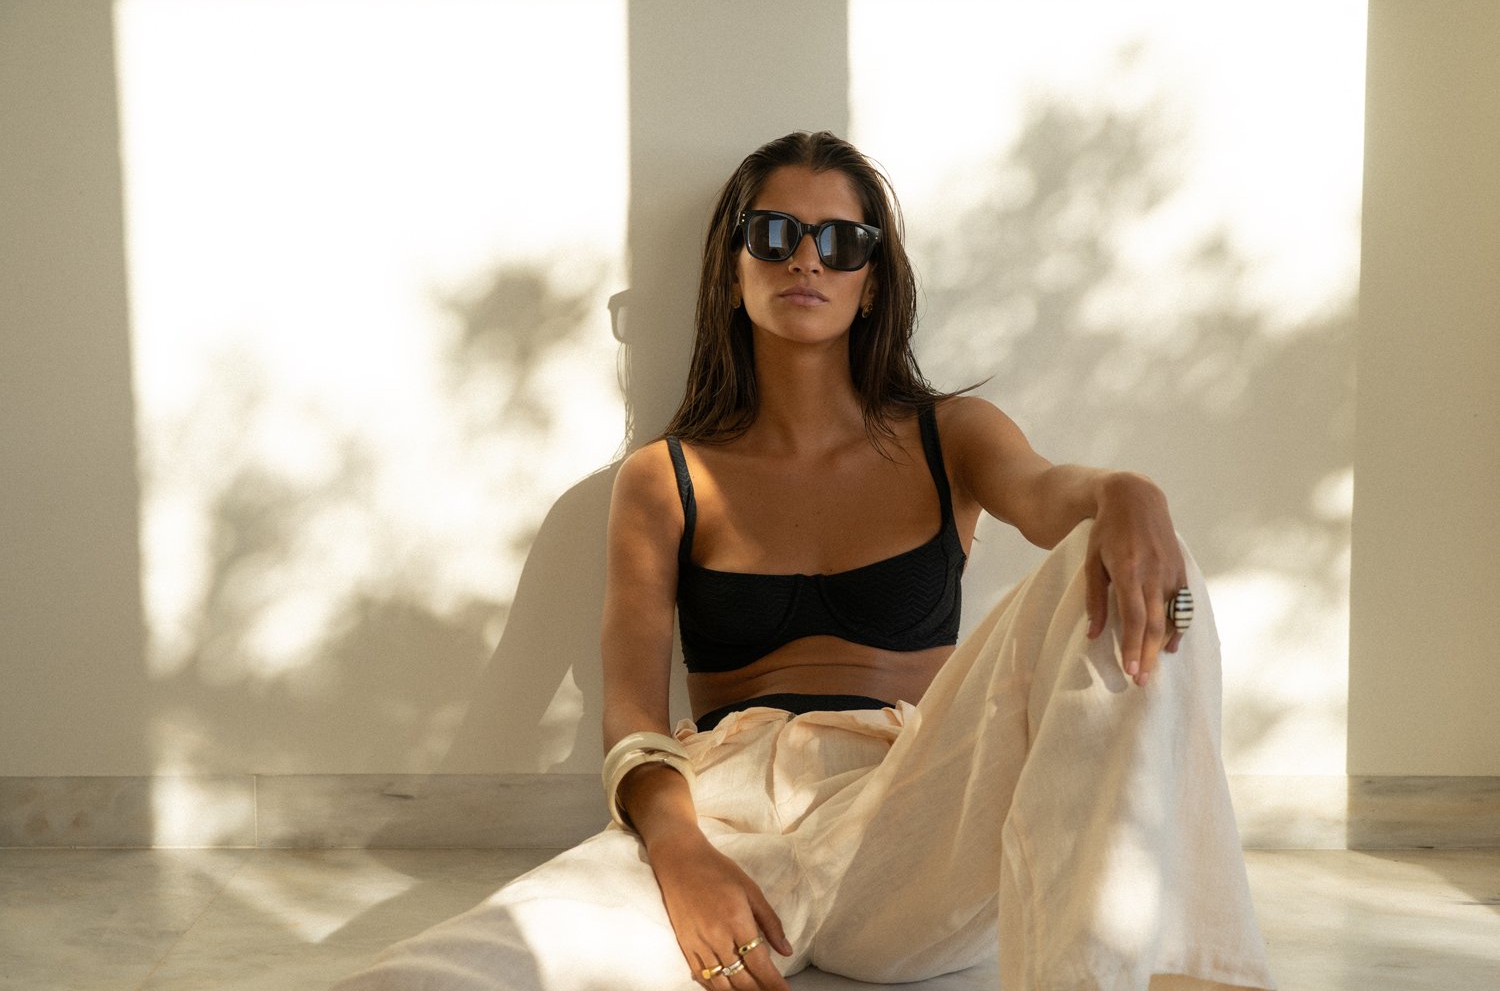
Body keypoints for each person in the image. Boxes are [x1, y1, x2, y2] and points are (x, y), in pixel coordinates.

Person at [333, 131, 1275, 991]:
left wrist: (1126, 493)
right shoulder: (663, 478)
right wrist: (680, 856)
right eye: (775, 233)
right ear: (732, 266)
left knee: (1131, 561)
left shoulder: (953, 434)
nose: (806, 259)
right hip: (724, 819)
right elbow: (629, 711)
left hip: (917, 811)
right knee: (441, 971)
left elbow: (1048, 495)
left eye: (841, 242)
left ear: (874, 279)